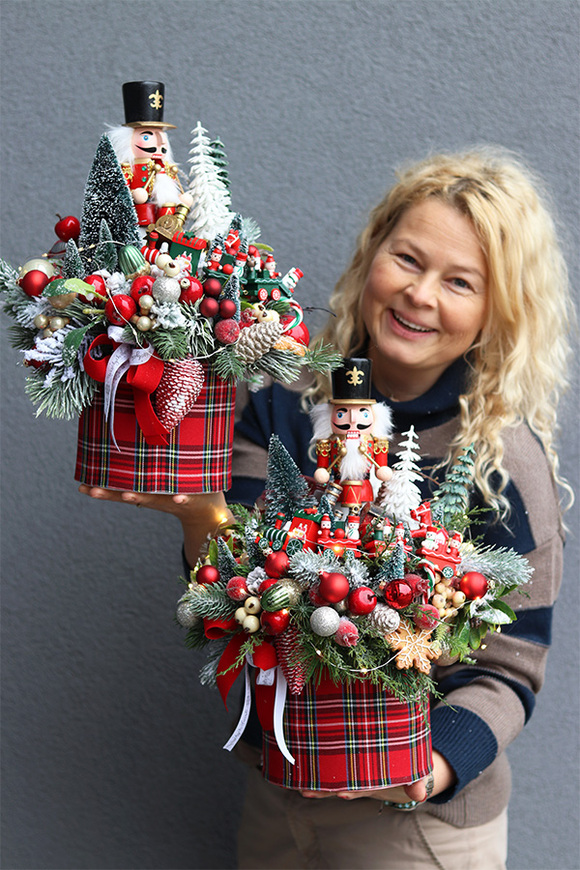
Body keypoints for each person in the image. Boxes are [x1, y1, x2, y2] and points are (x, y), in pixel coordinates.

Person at [79, 147, 574, 869]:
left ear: (496, 312)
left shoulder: (501, 458)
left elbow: (511, 666)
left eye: (460, 281)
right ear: (372, 253)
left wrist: (429, 769)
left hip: (417, 826)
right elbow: (237, 594)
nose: (420, 295)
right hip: (280, 792)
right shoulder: (287, 397)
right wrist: (197, 515)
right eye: (407, 259)